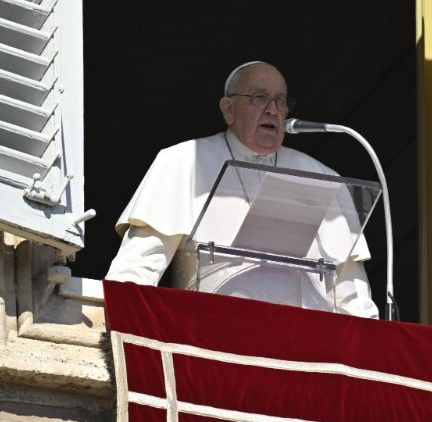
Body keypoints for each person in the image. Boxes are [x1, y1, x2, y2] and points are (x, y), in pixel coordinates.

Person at [105, 61, 379, 318]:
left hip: (310, 345)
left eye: (280, 101)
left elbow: (353, 296)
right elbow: (138, 268)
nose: (272, 109)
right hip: (214, 333)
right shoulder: (183, 161)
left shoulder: (321, 176)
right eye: (259, 98)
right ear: (228, 110)